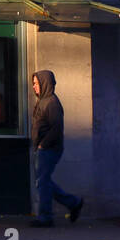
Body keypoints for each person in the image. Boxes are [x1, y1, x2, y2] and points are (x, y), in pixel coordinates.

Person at [30, 70, 84, 227]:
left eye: (36, 84)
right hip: (43, 149)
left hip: (48, 149)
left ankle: (46, 217)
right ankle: (74, 203)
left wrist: (42, 144)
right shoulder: (43, 101)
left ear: (45, 83)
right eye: (33, 84)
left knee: (43, 182)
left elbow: (57, 128)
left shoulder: (51, 103)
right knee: (44, 182)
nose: (34, 87)